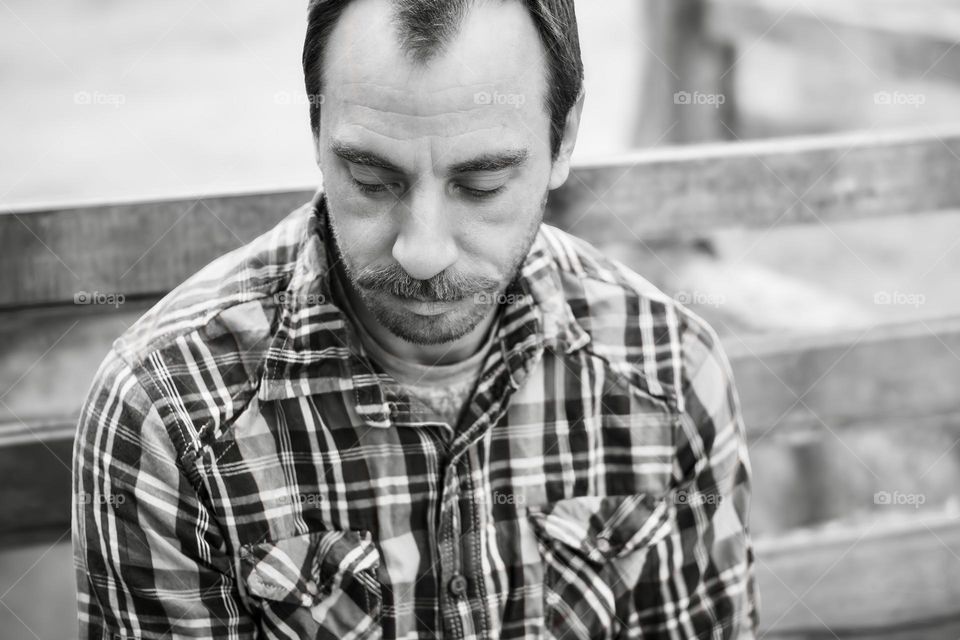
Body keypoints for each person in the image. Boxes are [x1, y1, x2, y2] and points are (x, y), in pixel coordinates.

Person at [73, 0, 759, 637]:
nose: (422, 251)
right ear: (316, 132)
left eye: (480, 185)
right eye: (372, 182)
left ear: (566, 137)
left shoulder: (667, 368)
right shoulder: (169, 413)